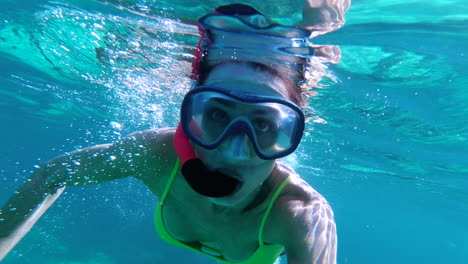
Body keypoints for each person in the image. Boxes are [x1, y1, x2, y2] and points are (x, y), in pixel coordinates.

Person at [1, 4, 340, 264]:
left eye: (264, 124)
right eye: (218, 114)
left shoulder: (299, 215)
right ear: (189, 118)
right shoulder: (154, 155)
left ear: (289, 136)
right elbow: (51, 174)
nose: (234, 151)